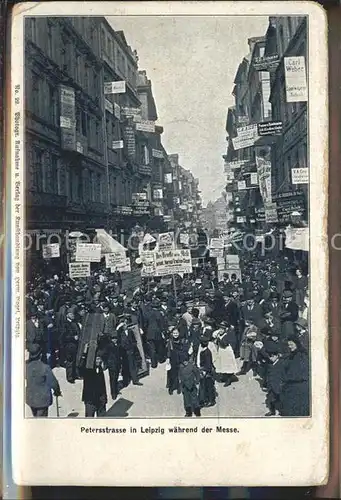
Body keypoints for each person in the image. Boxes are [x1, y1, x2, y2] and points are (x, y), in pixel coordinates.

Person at [26, 345, 61, 417]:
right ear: (41, 355)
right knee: (42, 420)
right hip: (43, 400)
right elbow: (54, 383)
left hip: (31, 398)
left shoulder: (26, 367)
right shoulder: (45, 367)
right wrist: (57, 391)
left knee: (35, 416)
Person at [280, 336, 309, 416]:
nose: (289, 347)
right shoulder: (293, 354)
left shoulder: (301, 355)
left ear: (297, 344)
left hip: (299, 386)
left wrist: (286, 379)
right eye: (288, 345)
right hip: (294, 384)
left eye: (291, 345)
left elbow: (297, 372)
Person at [79, 349, 108, 417]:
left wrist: (104, 398)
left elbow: (103, 385)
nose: (99, 361)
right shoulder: (88, 369)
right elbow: (80, 368)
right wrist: (84, 353)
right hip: (90, 400)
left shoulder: (100, 369)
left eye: (100, 359)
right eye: (97, 359)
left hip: (100, 400)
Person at [117, 315, 143, 387]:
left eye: (126, 324)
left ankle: (135, 380)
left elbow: (134, 341)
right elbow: (119, 342)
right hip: (124, 352)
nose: (125, 325)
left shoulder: (130, 331)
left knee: (133, 366)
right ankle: (125, 381)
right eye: (123, 324)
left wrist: (133, 347)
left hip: (131, 351)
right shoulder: (120, 333)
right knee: (125, 367)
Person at [166, 328, 188, 395]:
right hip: (173, 359)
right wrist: (168, 358)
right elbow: (168, 350)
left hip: (180, 359)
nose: (175, 334)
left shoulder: (182, 340)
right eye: (174, 333)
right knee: (172, 374)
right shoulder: (170, 341)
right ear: (172, 334)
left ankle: (178, 387)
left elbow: (184, 350)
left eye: (177, 333)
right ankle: (171, 388)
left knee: (179, 374)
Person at [178, 351, 201, 417]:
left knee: (195, 399)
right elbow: (180, 376)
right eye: (183, 361)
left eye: (186, 361)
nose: (185, 362)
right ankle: (189, 412)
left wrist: (197, 381)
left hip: (192, 385)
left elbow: (197, 373)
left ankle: (197, 412)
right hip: (185, 386)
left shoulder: (192, 366)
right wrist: (181, 385)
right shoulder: (180, 367)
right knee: (186, 400)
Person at [61, 311, 80, 384]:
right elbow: (63, 337)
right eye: (71, 314)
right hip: (69, 345)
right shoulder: (65, 324)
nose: (73, 315)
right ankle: (70, 377)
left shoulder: (75, 323)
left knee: (75, 360)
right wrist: (73, 337)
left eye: (73, 314)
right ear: (67, 315)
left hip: (75, 345)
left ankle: (75, 374)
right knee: (70, 360)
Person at [197, 335, 216, 408]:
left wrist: (204, 371)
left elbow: (208, 364)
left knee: (207, 386)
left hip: (206, 372)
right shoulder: (207, 351)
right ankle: (207, 400)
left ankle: (209, 401)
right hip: (206, 371)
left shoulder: (206, 353)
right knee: (207, 386)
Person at [265, 347, 284, 416]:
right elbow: (268, 375)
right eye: (269, 356)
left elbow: (283, 375)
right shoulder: (270, 364)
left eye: (272, 356)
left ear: (277, 356)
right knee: (271, 399)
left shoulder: (281, 364)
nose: (270, 358)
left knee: (280, 399)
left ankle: (282, 411)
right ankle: (272, 411)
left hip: (278, 385)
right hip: (271, 385)